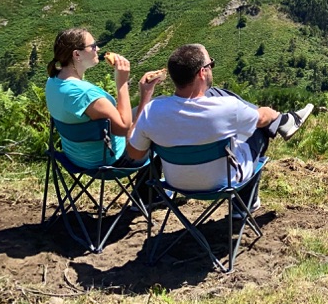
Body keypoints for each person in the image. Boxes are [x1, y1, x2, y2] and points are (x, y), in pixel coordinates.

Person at [126, 43, 313, 204]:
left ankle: (285, 121)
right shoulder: (226, 108)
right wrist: (272, 113)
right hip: (224, 182)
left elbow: (134, 153)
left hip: (175, 182)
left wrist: (145, 98)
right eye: (211, 64)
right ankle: (244, 205)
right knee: (259, 130)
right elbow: (262, 118)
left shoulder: (152, 111)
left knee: (218, 96)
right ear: (202, 72)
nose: (212, 67)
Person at [44, 27, 158, 169]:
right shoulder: (86, 95)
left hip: (76, 157)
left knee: (152, 108)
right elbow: (124, 129)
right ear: (77, 55)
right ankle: (148, 191)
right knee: (158, 116)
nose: (97, 49)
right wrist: (123, 83)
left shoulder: (53, 82)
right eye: (92, 46)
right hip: (109, 159)